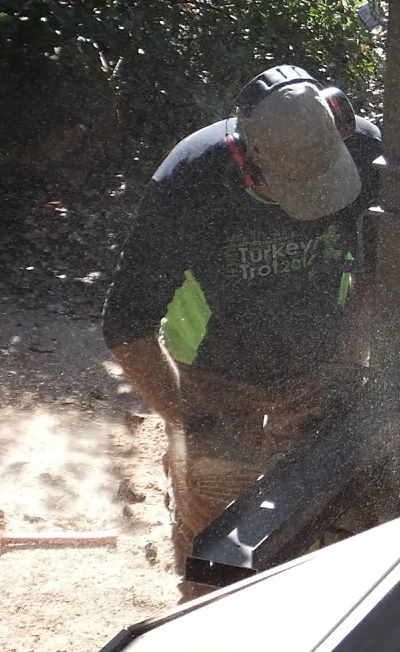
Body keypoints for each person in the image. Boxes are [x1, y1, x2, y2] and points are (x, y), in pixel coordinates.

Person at [102, 65, 382, 581]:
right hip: (212, 374)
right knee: (213, 527)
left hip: (318, 361)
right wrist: (189, 417)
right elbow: (126, 324)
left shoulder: (364, 151)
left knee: (332, 498)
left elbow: (381, 272)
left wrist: (347, 361)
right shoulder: (191, 181)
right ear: (247, 161)